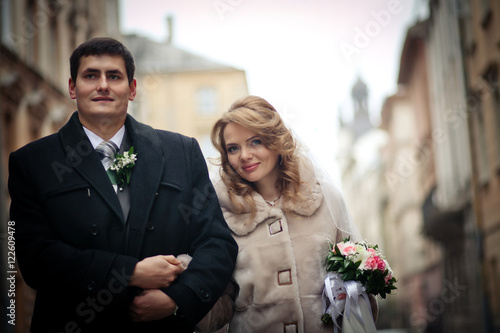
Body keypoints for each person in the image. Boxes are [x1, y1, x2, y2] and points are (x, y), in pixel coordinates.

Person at [8, 37, 238, 332]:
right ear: (72, 87)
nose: (102, 85)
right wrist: (130, 273)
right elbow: (33, 257)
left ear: (131, 89)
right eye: (91, 75)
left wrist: (178, 298)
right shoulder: (32, 162)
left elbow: (216, 242)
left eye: (114, 76)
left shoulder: (181, 151)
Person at [210, 96, 377, 332]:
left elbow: (357, 275)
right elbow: (221, 301)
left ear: (277, 141)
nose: (244, 155)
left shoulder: (326, 197)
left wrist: (354, 297)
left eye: (255, 141)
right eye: (233, 148)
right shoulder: (222, 213)